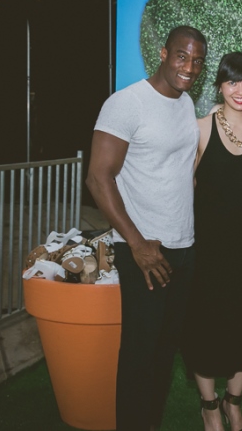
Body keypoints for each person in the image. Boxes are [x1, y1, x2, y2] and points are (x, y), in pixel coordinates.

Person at [85, 25, 207, 431]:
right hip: (144, 248)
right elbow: (98, 177)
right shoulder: (127, 103)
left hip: (182, 246)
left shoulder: (185, 103)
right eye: (181, 56)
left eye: (197, 61)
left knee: (164, 351)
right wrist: (136, 244)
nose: (189, 67)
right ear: (163, 53)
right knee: (140, 353)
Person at [181, 52, 242, 431]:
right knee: (204, 328)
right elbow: (184, 192)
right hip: (207, 253)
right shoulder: (199, 129)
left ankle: (233, 403)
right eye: (233, 81)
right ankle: (209, 406)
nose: (241, 90)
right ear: (219, 85)